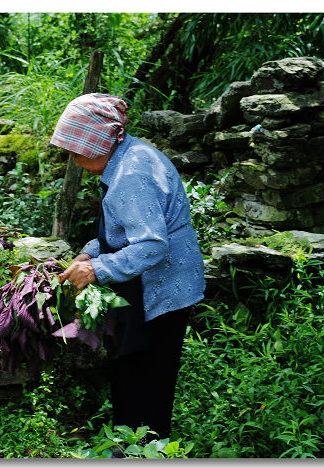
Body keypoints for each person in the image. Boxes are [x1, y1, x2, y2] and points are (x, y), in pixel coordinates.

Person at [52, 93, 205, 445]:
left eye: (76, 151)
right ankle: (130, 444)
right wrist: (90, 253)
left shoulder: (131, 173)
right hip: (148, 282)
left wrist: (95, 270)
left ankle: (144, 449)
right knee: (131, 372)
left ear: (97, 144)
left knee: (145, 379)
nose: (74, 161)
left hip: (163, 289)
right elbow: (124, 229)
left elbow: (151, 244)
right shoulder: (128, 155)